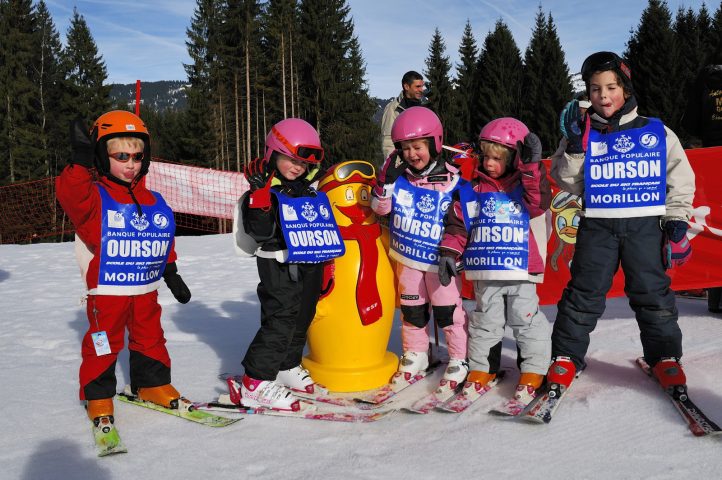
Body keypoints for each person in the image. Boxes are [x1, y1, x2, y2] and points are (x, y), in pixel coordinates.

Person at [548, 51, 696, 391]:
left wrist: (676, 221)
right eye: (595, 88)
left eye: (611, 87)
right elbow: (568, 182)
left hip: (645, 226)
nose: (603, 96)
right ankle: (566, 356)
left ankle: (665, 357)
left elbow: (680, 179)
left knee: (652, 293)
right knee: (583, 294)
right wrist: (574, 145)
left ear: (625, 90)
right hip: (598, 227)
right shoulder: (581, 131)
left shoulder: (655, 131)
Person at [56, 110, 193, 427]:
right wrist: (79, 161)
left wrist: (171, 272)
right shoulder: (95, 199)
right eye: (120, 156)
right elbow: (71, 192)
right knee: (103, 344)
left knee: (151, 338)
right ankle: (99, 393)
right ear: (102, 157)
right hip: (108, 294)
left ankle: (151, 383)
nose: (130, 163)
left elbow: (161, 238)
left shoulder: (154, 199)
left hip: (145, 290)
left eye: (136, 156)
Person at [439, 118, 552, 406]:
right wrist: (450, 252)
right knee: (485, 321)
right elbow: (458, 226)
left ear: (514, 159)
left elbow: (539, 202)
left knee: (524, 320)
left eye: (497, 159)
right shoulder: (473, 190)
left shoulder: (524, 187)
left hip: (520, 269)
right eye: (486, 156)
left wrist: (531, 167)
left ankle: (534, 370)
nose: (489, 164)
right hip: (486, 269)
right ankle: (482, 368)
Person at [231, 118, 341, 411]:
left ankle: (287, 365)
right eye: (291, 160)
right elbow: (259, 232)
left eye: (303, 163)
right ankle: (256, 379)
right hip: (278, 264)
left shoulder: (310, 192)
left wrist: (327, 266)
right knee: (281, 319)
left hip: (309, 264)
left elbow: (324, 231)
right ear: (273, 154)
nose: (297, 167)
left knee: (303, 316)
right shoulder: (264, 189)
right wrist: (259, 197)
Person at [371, 106, 469, 390]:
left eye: (418, 147)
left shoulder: (451, 179)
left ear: (434, 143)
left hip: (439, 261)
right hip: (408, 259)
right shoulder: (399, 179)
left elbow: (459, 221)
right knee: (412, 310)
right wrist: (386, 183)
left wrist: (451, 251)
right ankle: (416, 354)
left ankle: (458, 357)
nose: (412, 154)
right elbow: (380, 210)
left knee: (447, 310)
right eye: (405, 148)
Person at [682, 64, 722, 313]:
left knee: (716, 224)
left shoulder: (703, 81)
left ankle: (715, 296)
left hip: (711, 163)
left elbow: (690, 124)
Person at [380, 71, 426, 160]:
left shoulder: (423, 107)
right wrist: (395, 165)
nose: (421, 90)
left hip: (421, 162)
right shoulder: (393, 109)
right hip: (404, 164)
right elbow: (388, 141)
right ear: (406, 87)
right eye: (417, 87)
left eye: (422, 86)